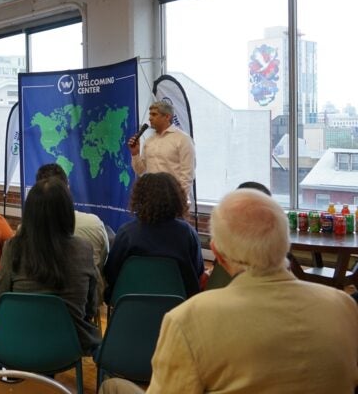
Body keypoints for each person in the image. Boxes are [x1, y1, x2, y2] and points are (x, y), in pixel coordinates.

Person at [101, 189, 358, 394]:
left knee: (111, 387)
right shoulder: (344, 307)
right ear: (285, 243)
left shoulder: (189, 319)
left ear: (219, 255)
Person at [0, 177, 101, 354]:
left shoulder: (13, 247)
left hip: (19, 340)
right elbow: (90, 306)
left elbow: (1, 300)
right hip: (70, 344)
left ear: (29, 213)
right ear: (67, 212)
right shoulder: (83, 249)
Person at [103, 172, 204, 302]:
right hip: (178, 309)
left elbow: (111, 273)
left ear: (139, 199)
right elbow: (197, 273)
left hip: (131, 308)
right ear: (176, 199)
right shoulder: (188, 234)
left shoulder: (127, 234)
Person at [35, 163, 109, 304]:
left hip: (27, 320)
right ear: (67, 189)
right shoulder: (93, 226)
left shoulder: (20, 238)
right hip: (78, 315)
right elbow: (101, 264)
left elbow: (3, 295)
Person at [127, 101, 195, 203]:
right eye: (150, 114)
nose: (150, 118)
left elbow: (187, 174)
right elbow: (140, 170)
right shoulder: (149, 141)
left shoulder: (182, 139)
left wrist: (178, 199)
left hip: (174, 200)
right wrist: (135, 153)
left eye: (154, 114)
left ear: (167, 117)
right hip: (151, 199)